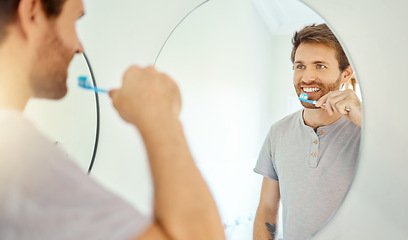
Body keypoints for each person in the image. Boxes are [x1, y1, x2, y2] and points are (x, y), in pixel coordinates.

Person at [0, 0, 226, 239]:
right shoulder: (17, 157)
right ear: (32, 12)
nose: (79, 47)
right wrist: (159, 114)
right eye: (75, 20)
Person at [253, 24, 362, 240]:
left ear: (345, 74)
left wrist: (367, 121)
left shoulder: (368, 132)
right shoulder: (278, 133)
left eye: (320, 66)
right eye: (300, 66)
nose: (306, 78)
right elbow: (267, 209)